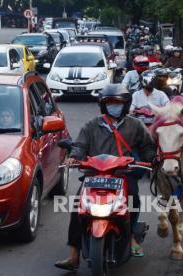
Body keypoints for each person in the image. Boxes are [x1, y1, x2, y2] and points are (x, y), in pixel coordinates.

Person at [54, 84, 157, 271]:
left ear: (125, 104)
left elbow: (147, 147)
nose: (113, 106)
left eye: (117, 102)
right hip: (95, 175)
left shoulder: (135, 125)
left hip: (122, 175)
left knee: (132, 199)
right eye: (109, 102)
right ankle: (74, 255)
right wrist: (74, 158)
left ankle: (132, 235)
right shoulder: (92, 125)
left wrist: (153, 159)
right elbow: (80, 146)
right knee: (78, 207)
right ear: (103, 105)